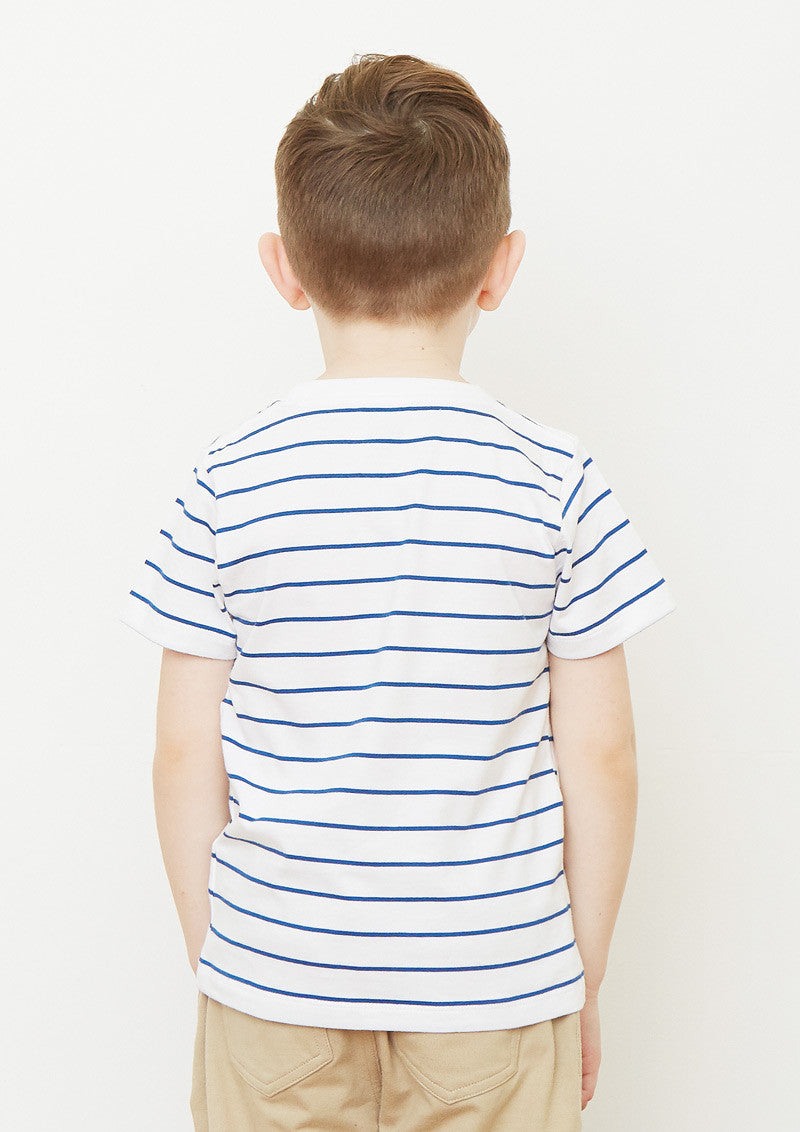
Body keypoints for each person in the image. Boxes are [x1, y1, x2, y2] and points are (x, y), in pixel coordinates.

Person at [120, 52, 677, 1131]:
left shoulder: (226, 481)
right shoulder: (556, 481)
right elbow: (602, 757)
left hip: (275, 976)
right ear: (499, 268)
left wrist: (224, 957)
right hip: (493, 986)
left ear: (285, 268)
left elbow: (183, 754)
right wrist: (578, 972)